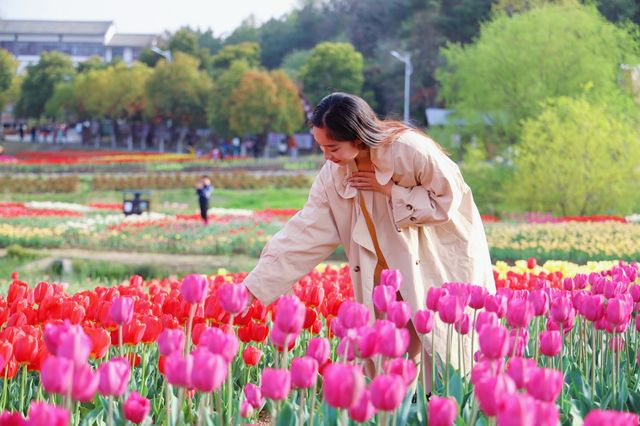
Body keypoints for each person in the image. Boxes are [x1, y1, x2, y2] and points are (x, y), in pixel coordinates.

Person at [241, 92, 495, 391]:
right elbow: (304, 232)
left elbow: (449, 201)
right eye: (321, 147)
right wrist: (253, 288)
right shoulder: (333, 175)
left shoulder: (409, 150)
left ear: (359, 138)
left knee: (443, 360)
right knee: (387, 368)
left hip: (435, 266)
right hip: (382, 279)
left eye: (332, 147)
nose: (326, 156)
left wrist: (390, 190)